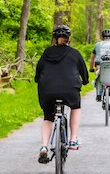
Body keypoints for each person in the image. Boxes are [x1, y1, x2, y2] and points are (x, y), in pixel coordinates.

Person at [34, 24, 88, 161]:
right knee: (75, 107)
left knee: (48, 117)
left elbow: (38, 71)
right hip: (70, 90)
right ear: (68, 38)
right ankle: (73, 139)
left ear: (55, 38)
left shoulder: (46, 53)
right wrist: (85, 80)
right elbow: (84, 72)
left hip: (47, 90)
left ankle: (44, 146)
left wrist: (37, 80)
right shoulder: (75, 53)